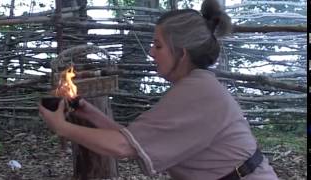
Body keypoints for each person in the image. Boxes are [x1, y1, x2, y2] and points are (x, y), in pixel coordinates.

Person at [39, 0, 279, 179]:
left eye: (158, 45)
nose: (151, 52)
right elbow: (137, 142)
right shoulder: (196, 85)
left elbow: (123, 147)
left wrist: (62, 127)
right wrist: (86, 110)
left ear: (181, 53)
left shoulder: (198, 91)